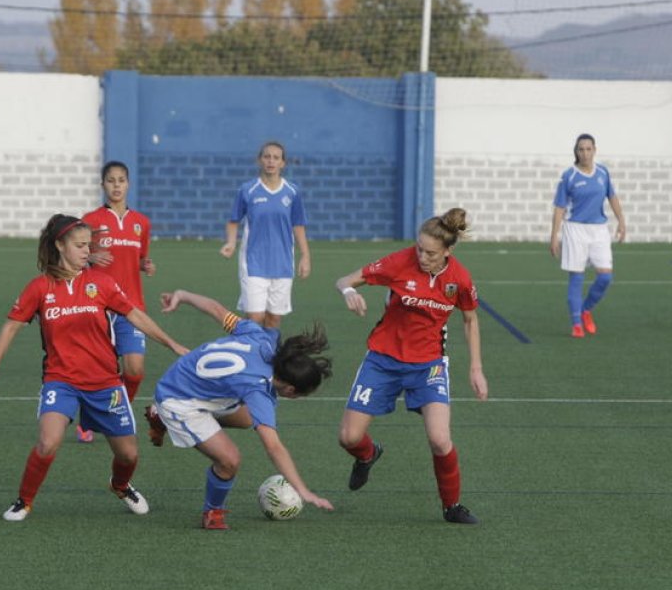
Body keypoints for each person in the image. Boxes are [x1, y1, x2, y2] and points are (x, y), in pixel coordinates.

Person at [0, 214, 188, 521]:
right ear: (60, 245)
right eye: (80, 245)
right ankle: (24, 501)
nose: (88, 250)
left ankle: (120, 485)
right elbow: (11, 327)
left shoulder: (102, 282)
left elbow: (135, 315)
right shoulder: (40, 287)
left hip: (105, 383)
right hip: (60, 381)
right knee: (48, 442)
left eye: (89, 245)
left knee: (128, 454)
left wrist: (172, 344)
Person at [335, 208, 488, 525]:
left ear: (448, 251)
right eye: (419, 248)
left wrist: (476, 368)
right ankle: (368, 454)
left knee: (440, 439)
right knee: (349, 438)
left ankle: (452, 506)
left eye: (430, 253)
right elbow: (345, 279)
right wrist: (349, 291)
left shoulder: (459, 278)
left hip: (428, 365)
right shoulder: (399, 262)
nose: (422, 257)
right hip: (382, 359)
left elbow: (470, 320)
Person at [145, 289, 334, 530]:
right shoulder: (258, 390)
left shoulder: (260, 337)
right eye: (301, 395)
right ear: (289, 389)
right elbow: (274, 447)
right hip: (178, 400)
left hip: (188, 379)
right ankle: (212, 511)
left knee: (246, 418)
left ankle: (165, 418)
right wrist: (302, 490)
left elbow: (216, 309)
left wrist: (182, 295)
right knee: (229, 460)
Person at [78, 161, 154, 444]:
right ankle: (88, 419)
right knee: (99, 372)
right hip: (97, 306)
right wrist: (89, 257)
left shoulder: (141, 223)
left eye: (121, 180)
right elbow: (72, 257)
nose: (117, 185)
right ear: (103, 185)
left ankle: (115, 411)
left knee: (135, 370)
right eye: (111, 180)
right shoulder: (90, 220)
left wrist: (146, 265)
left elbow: (139, 258)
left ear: (128, 184)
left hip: (131, 306)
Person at [219, 141, 310, 329]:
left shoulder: (292, 192)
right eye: (267, 156)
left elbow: (298, 224)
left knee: (273, 319)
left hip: (283, 264)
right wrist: (231, 243)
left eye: (276, 158)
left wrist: (305, 255)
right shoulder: (248, 190)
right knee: (255, 317)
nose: (271, 161)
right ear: (259, 160)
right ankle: (248, 346)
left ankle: (270, 349)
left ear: (283, 163)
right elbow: (233, 220)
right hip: (253, 263)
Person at [549, 133, 626, 338]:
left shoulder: (603, 172)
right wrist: (554, 236)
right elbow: (559, 207)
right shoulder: (569, 176)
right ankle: (576, 324)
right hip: (575, 229)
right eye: (581, 149)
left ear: (594, 150)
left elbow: (612, 196)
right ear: (576, 152)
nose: (585, 153)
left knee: (605, 276)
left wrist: (621, 220)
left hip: (599, 230)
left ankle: (586, 309)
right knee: (577, 277)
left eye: (588, 149)